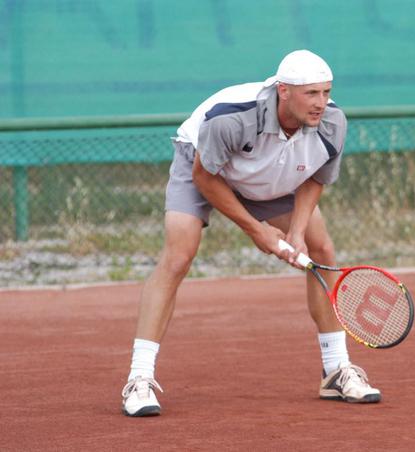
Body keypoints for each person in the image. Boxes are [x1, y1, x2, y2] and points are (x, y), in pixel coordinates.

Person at [121, 50, 381, 417]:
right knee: (179, 256)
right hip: (204, 166)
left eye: (326, 92)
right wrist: (256, 230)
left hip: (270, 174)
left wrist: (298, 230)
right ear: (283, 91)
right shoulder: (231, 119)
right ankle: (139, 379)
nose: (321, 103)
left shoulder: (332, 121)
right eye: (312, 94)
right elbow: (204, 177)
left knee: (321, 250)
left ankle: (336, 370)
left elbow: (316, 178)